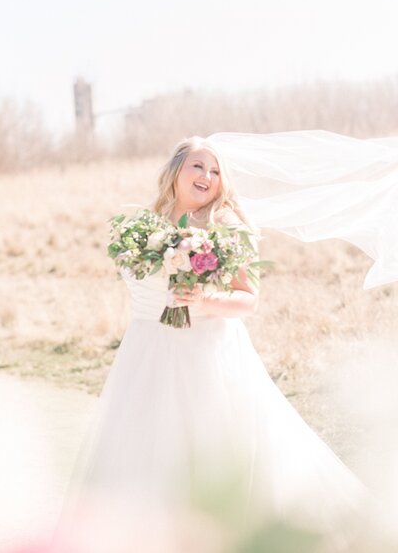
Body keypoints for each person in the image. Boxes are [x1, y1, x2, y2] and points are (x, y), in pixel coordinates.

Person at [49, 135, 381, 553]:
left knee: (211, 452)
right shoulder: (145, 225)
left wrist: (204, 298)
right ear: (175, 171)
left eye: (216, 170)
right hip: (145, 354)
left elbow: (249, 299)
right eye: (198, 166)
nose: (207, 176)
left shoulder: (227, 225)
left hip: (205, 354)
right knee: (145, 453)